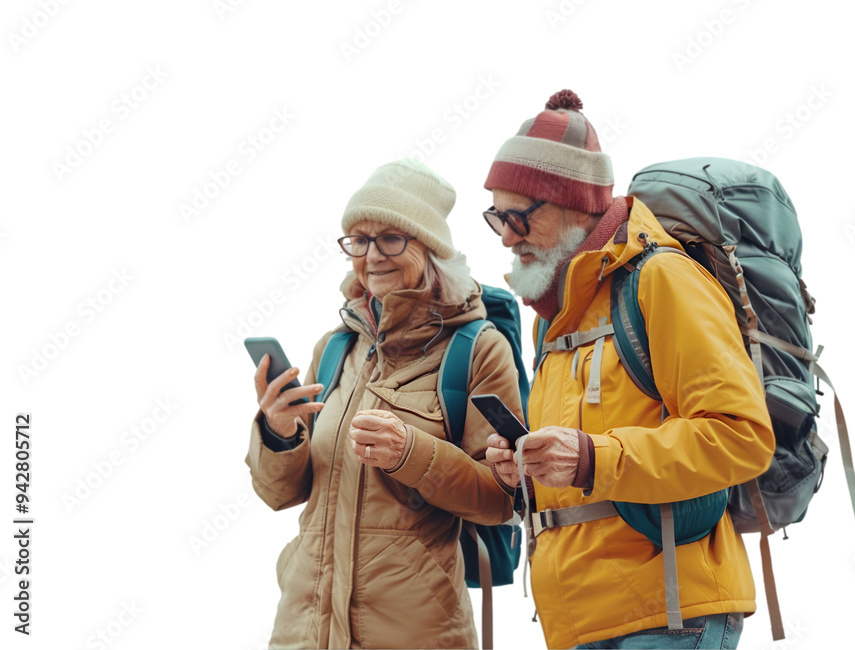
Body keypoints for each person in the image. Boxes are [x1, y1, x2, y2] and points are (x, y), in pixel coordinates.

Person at [483, 90, 776, 649]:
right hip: (583, 623)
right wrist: (523, 471)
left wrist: (593, 457)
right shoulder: (556, 317)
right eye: (497, 214)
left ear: (577, 204)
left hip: (668, 618)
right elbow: (578, 472)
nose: (505, 235)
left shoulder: (663, 279)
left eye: (520, 215)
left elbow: (743, 437)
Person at [246, 158, 523, 649]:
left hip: (415, 633)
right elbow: (280, 494)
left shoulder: (477, 348)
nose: (371, 255)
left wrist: (410, 455)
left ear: (430, 247)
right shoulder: (335, 347)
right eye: (359, 239)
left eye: (391, 238)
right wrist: (279, 431)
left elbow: (502, 499)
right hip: (304, 630)